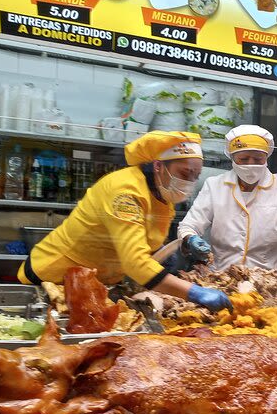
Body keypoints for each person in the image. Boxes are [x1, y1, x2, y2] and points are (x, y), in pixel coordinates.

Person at [17, 131, 232, 312]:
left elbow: (141, 244)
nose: (190, 182)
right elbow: (135, 262)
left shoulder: (161, 193)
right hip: (53, 280)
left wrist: (172, 252)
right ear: (158, 166)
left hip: (93, 284)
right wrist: (193, 292)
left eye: (195, 175)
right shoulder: (125, 191)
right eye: (185, 173)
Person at [178, 125, 277, 275]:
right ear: (232, 158)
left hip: (270, 282)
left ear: (266, 158)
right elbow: (189, 225)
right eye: (244, 159)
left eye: (258, 159)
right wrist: (190, 238)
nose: (250, 164)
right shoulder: (214, 186)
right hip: (223, 278)